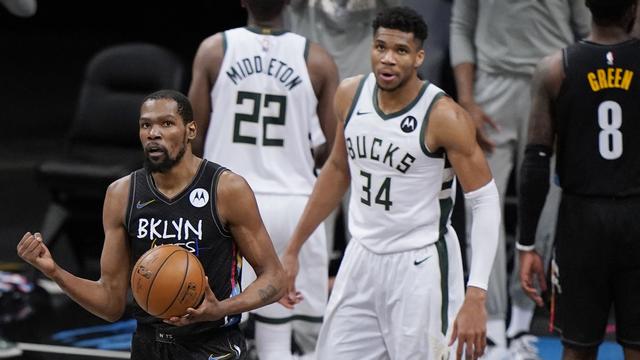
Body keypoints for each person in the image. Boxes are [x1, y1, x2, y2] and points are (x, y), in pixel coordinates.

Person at [280, 6, 500, 359]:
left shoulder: (444, 116)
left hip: (421, 266)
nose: (388, 59)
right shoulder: (350, 95)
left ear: (419, 57)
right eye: (381, 47)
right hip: (361, 258)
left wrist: (476, 294)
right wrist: (293, 249)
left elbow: (485, 201)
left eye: (400, 51)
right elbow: (337, 170)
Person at [17, 90, 286, 359]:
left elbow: (275, 278)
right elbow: (110, 304)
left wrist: (222, 308)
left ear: (190, 130)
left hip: (212, 344)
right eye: (146, 125)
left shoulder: (227, 189)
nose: (153, 133)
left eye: (166, 124)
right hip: (148, 346)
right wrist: (55, 272)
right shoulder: (122, 194)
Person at [188, 0, 339, 358]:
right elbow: (334, 150)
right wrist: (298, 154)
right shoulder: (317, 58)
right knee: (281, 333)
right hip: (293, 204)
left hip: (227, 201)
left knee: (211, 324)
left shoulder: (214, 50)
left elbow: (191, 136)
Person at [449, 1, 591, 357]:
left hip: (554, 82)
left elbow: (588, 28)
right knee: (483, 207)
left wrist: (578, 95)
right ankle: (492, 326)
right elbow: (461, 24)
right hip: (492, 88)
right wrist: (466, 98)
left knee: (546, 211)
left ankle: (520, 324)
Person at [519, 1, 640, 359]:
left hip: (581, 222)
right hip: (636, 215)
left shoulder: (554, 68)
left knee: (577, 347)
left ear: (586, 6)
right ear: (633, 7)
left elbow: (536, 162)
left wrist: (527, 242)